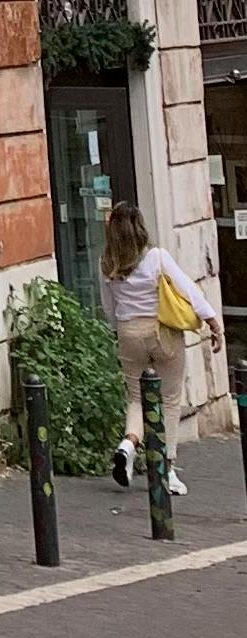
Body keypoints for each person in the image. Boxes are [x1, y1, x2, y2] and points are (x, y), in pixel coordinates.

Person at [100, 203, 221, 491]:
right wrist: (213, 322)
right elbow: (187, 290)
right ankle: (167, 469)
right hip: (161, 331)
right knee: (169, 399)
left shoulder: (106, 262)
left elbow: (109, 307)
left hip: (128, 332)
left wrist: (120, 330)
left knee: (135, 398)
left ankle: (128, 444)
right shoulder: (156, 257)